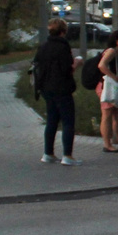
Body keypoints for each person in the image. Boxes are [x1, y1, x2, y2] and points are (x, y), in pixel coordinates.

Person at [33, 17, 82, 165]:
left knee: (52, 121)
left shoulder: (43, 46)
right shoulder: (63, 47)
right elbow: (67, 69)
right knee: (68, 122)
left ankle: (48, 153)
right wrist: (77, 63)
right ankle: (67, 155)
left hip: (46, 88)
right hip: (62, 88)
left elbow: (37, 65)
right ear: (63, 31)